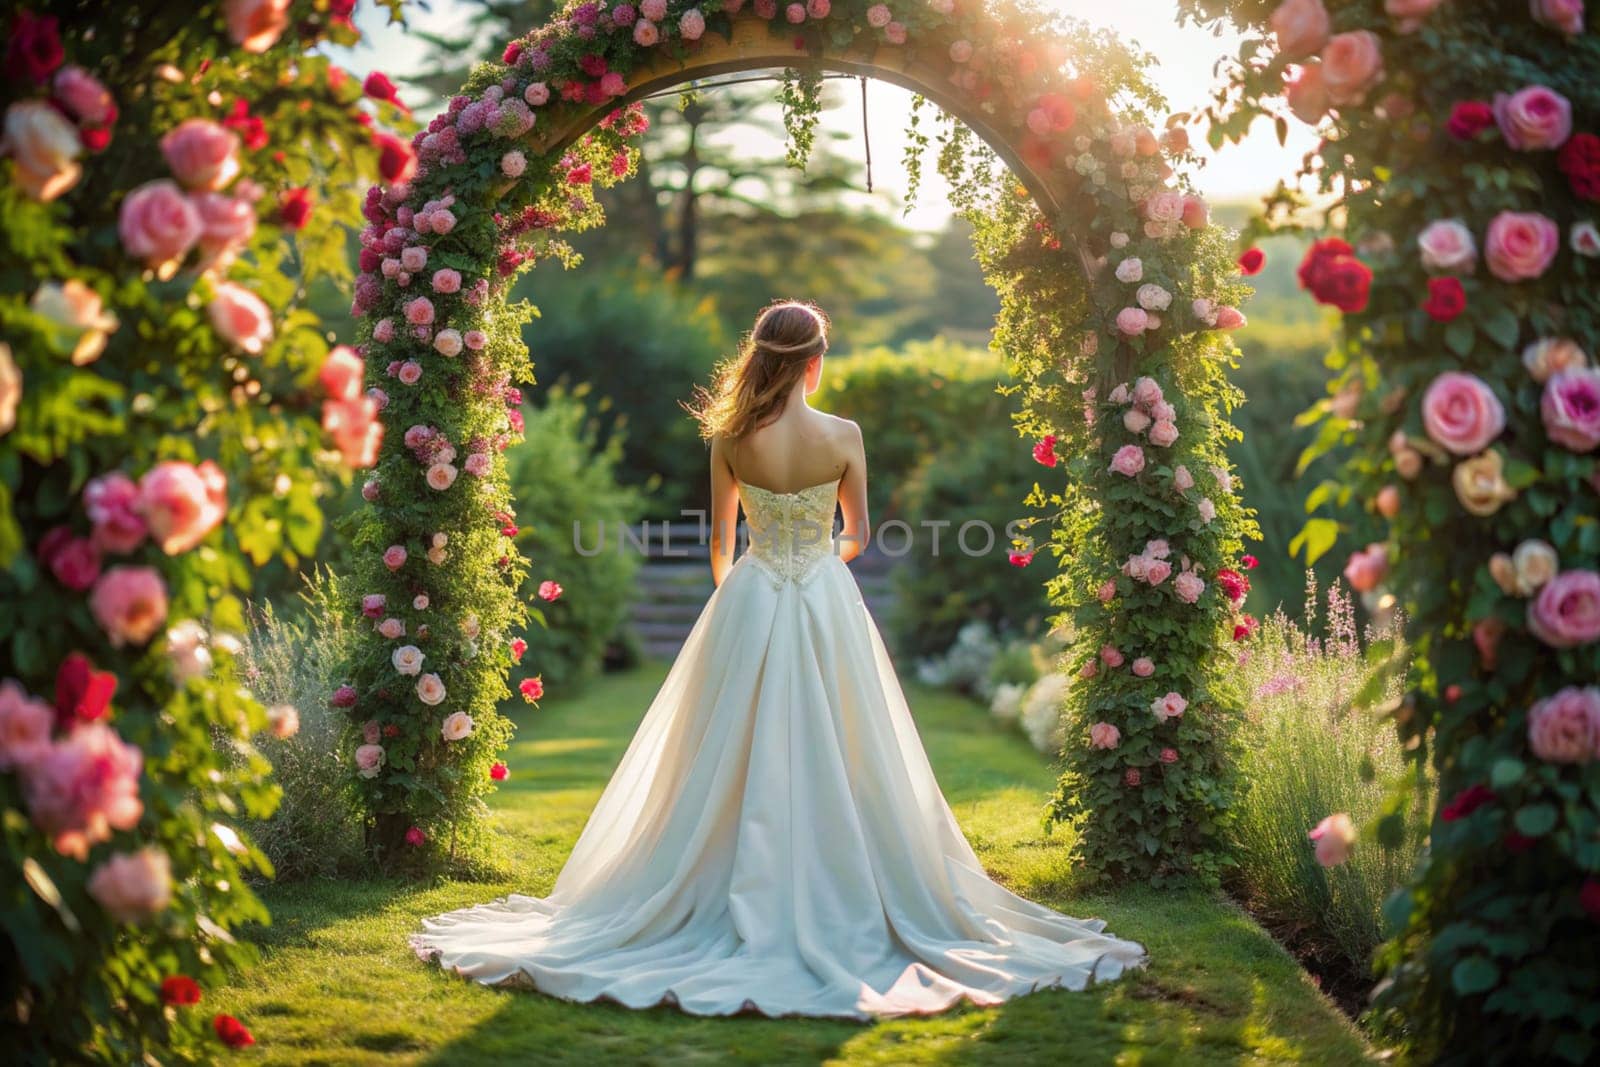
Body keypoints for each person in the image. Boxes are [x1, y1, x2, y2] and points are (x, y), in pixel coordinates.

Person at [411, 300, 1145, 1018]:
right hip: (825, 591)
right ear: (815, 361)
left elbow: (721, 544)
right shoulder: (844, 433)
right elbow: (857, 532)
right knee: (849, 735)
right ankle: (846, 871)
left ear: (762, 357)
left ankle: (720, 874)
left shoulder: (730, 436)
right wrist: (821, 561)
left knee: (726, 742)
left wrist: (742, 599)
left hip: (753, 591)